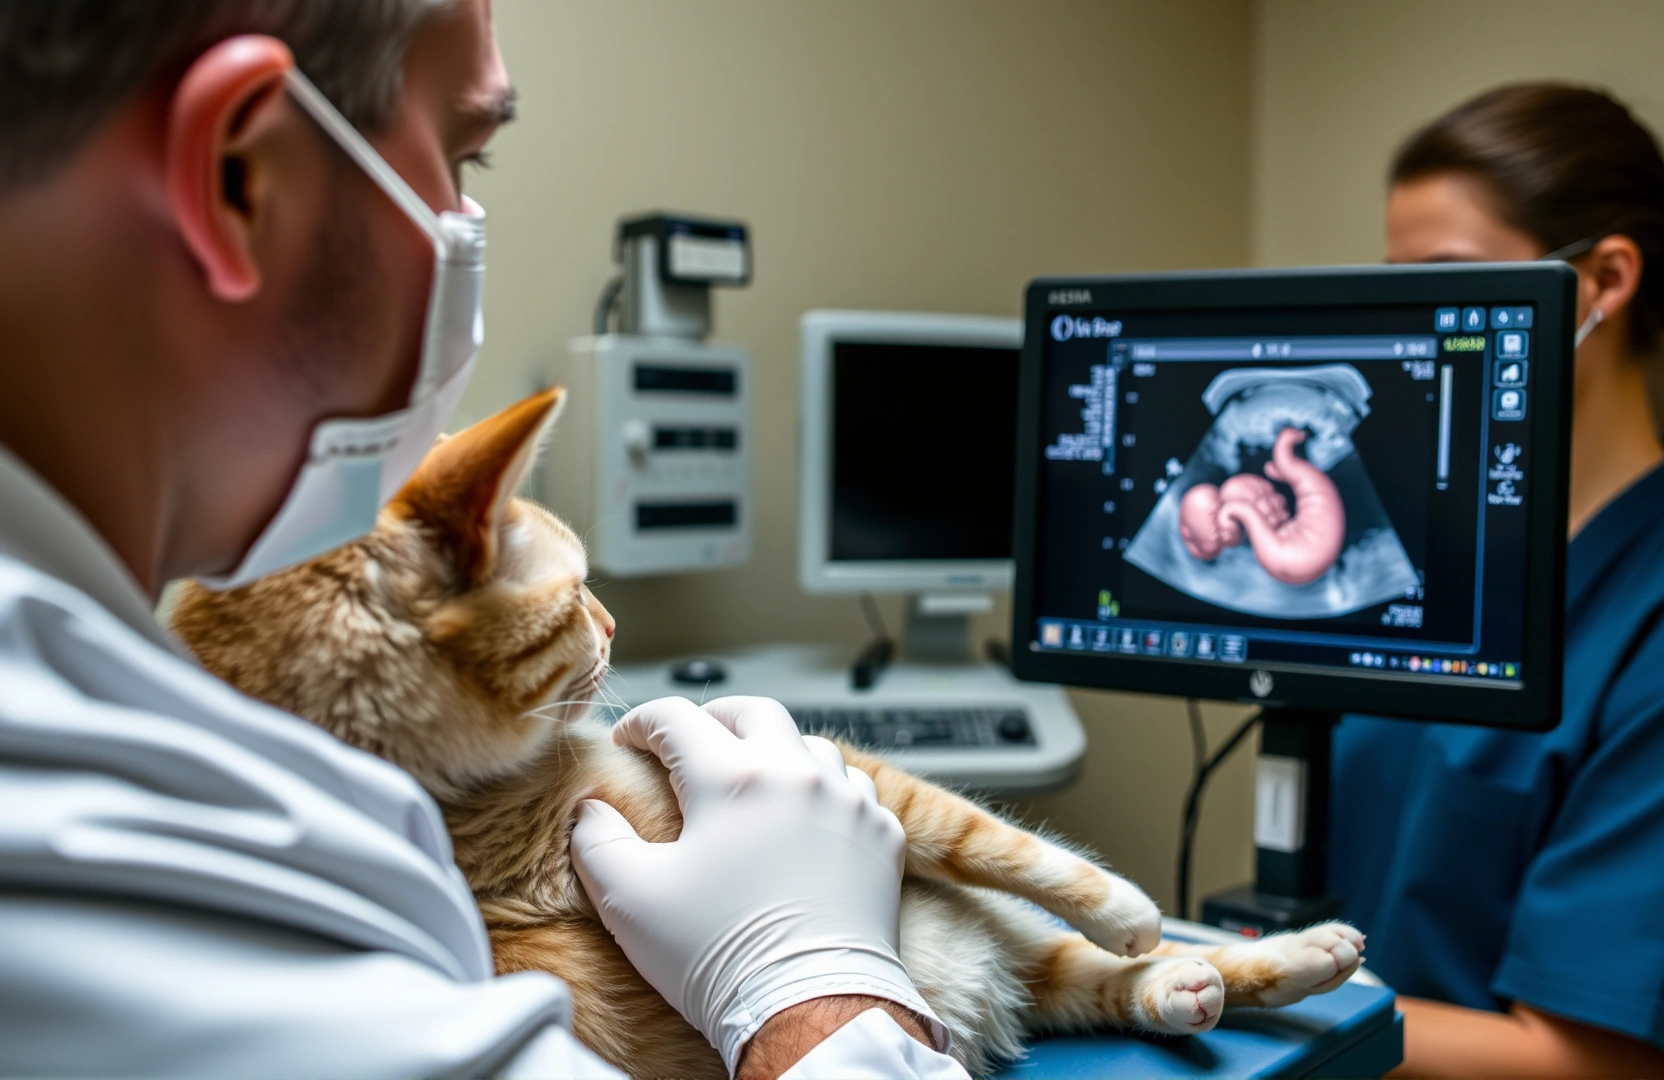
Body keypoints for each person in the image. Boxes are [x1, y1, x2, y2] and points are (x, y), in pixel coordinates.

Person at [0, 2, 964, 1077]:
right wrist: (812, 983)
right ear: (240, 176)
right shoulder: (77, 851)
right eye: (464, 156)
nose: (460, 214)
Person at [1330, 83, 1664, 1078]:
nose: (1419, 321)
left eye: (1449, 276)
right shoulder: (1418, 576)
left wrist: (1240, 997)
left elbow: (1591, 1064)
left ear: (1605, 279)